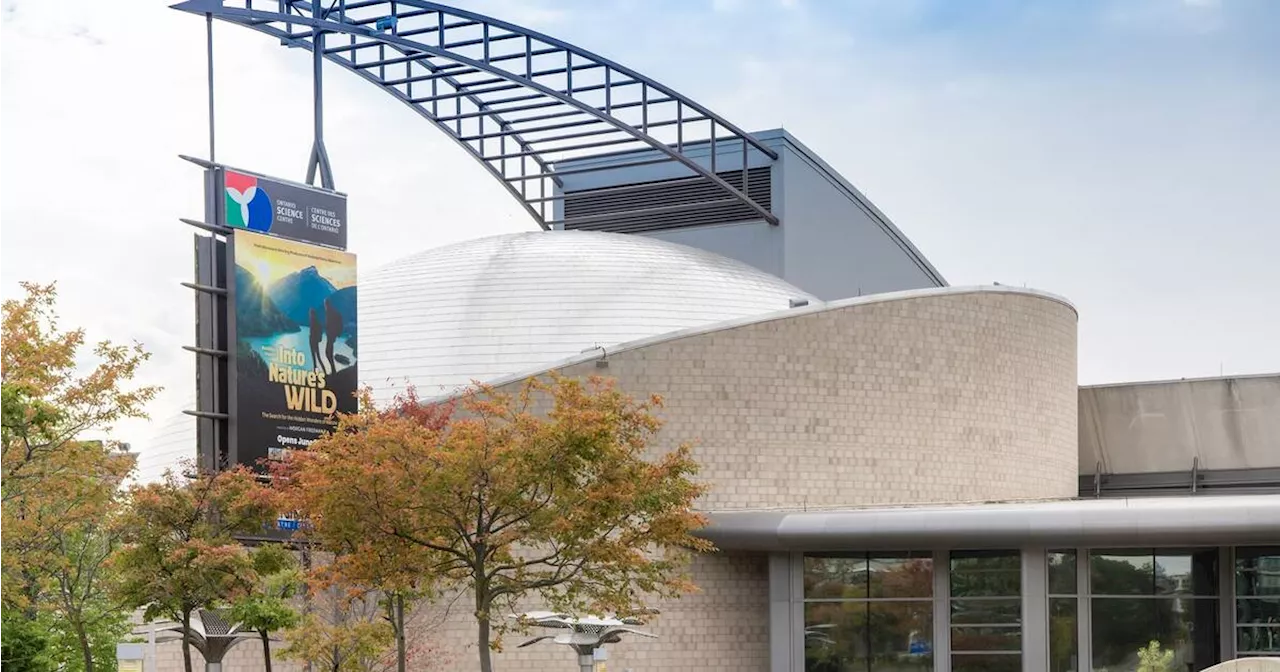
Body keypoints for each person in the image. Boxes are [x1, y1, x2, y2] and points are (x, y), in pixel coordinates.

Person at [324, 297, 344, 374]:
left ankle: (333, 370)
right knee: (328, 352)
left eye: (325, 304)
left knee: (328, 352)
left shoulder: (330, 312)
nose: (325, 306)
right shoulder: (330, 312)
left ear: (327, 304)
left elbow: (331, 324)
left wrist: (335, 333)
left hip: (331, 335)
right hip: (331, 335)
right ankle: (333, 369)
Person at [308, 307, 324, 374]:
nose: (310, 315)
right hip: (313, 341)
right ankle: (320, 372)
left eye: (310, 313)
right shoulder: (314, 321)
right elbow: (320, 330)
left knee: (316, 358)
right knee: (317, 358)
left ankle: (317, 373)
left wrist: (315, 338)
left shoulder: (314, 321)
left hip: (313, 341)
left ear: (312, 314)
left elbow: (318, 330)